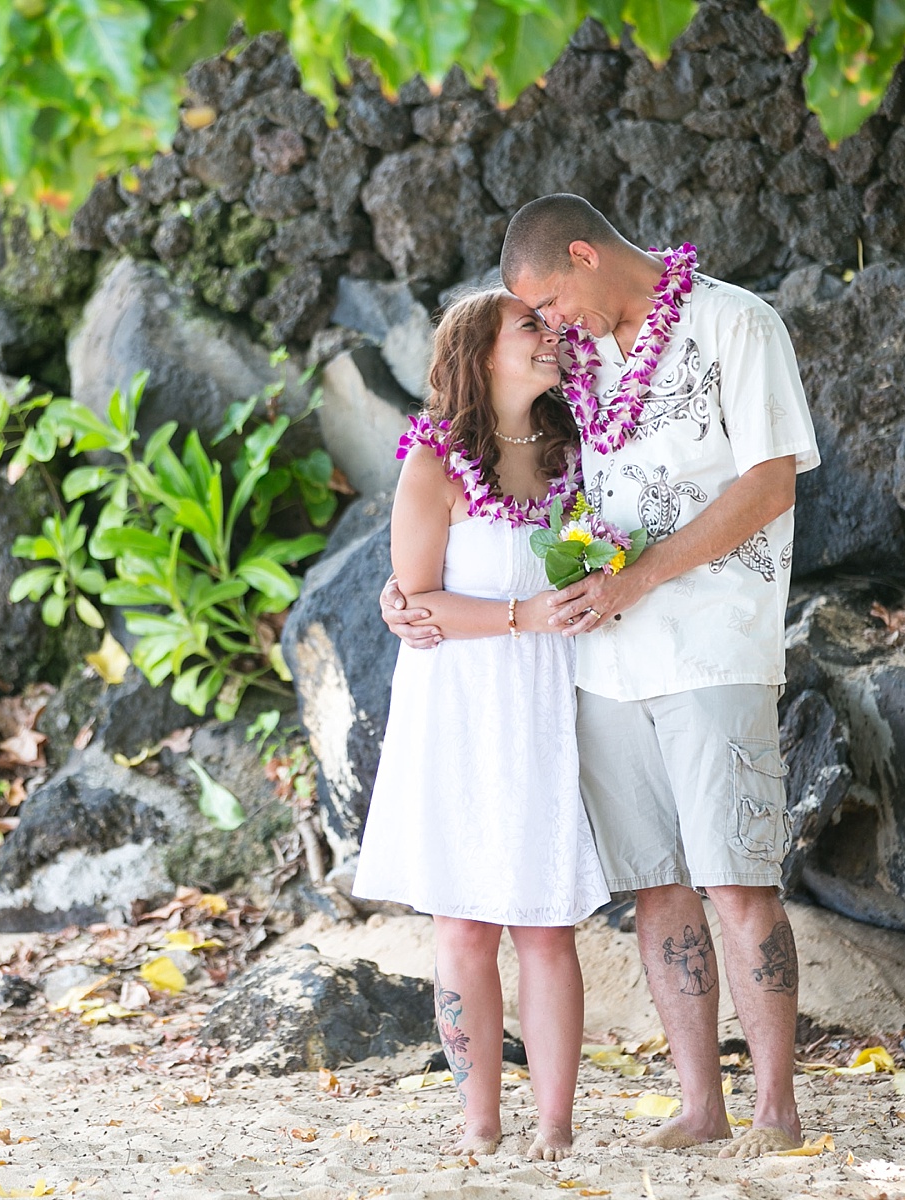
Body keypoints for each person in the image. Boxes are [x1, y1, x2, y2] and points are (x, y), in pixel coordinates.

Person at [380, 194, 820, 1159]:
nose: (552, 330)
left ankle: (776, 1110)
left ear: (584, 254)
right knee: (657, 888)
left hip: (711, 645)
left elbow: (771, 481)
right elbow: (467, 487)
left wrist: (637, 578)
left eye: (548, 304)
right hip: (597, 667)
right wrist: (402, 594)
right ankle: (701, 1107)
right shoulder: (580, 367)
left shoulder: (736, 325)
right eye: (531, 321)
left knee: (736, 880)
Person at [351, 288, 609, 1162]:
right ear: (482, 352)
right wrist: (518, 618)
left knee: (546, 920)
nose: (551, 337)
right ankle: (479, 1122)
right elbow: (414, 597)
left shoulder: (578, 447)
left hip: (548, 703)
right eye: (530, 327)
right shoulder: (433, 460)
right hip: (461, 705)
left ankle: (555, 1123)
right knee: (464, 922)